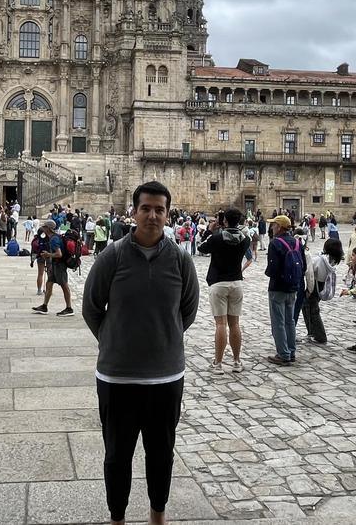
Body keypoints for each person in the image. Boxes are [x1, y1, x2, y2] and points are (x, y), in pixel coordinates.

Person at [82, 181, 199, 525]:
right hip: (117, 377)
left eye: (159, 209)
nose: (152, 215)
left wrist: (165, 339)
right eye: (145, 208)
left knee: (161, 454)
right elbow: (91, 307)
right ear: (133, 212)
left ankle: (157, 517)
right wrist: (113, 340)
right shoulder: (112, 256)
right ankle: (117, 518)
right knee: (117, 456)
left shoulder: (180, 259)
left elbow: (188, 310)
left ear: (167, 214)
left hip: (165, 377)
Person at [198, 208, 250, 373]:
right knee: (235, 324)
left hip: (219, 283)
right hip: (236, 282)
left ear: (224, 221)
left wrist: (208, 231)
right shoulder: (245, 239)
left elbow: (201, 248)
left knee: (220, 324)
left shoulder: (217, 238)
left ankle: (218, 363)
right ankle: (236, 361)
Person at [264, 215, 302, 366]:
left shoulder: (275, 243)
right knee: (290, 320)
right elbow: (303, 265)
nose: (272, 228)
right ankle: (291, 351)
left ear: (279, 227)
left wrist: (269, 274)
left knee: (278, 321)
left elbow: (272, 268)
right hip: (293, 286)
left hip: (278, 287)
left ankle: (283, 354)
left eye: (273, 225)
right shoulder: (297, 242)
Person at [303, 238, 343, 344]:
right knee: (311, 308)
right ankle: (312, 332)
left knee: (313, 310)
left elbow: (310, 270)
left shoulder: (320, 260)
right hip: (322, 285)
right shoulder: (333, 260)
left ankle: (319, 335)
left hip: (314, 284)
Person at [33, 220, 74, 316]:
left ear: (48, 228)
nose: (42, 228)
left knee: (64, 285)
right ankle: (44, 306)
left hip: (59, 265)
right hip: (55, 265)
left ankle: (69, 308)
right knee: (49, 283)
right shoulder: (54, 237)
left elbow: (59, 254)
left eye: (44, 227)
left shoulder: (54, 239)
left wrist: (48, 254)